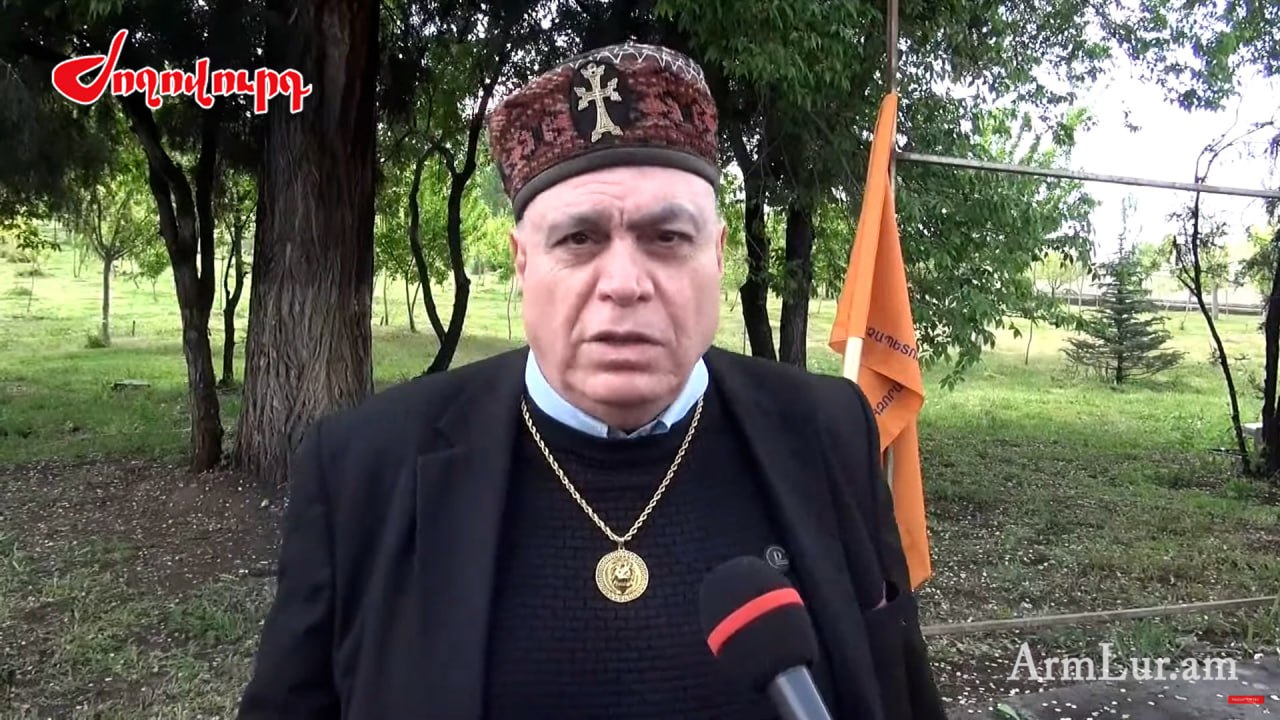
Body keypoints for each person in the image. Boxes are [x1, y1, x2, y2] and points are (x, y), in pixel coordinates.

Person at [237, 42, 948, 720]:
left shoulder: (827, 433)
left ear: (717, 255)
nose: (625, 284)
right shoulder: (364, 466)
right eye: (579, 239)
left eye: (667, 238)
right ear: (522, 263)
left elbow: (900, 695)